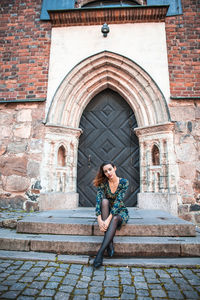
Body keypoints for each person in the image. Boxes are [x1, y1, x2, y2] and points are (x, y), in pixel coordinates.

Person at [93, 161, 129, 268]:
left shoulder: (124, 182)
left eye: (110, 169)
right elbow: (98, 200)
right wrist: (99, 219)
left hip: (120, 211)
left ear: (115, 168)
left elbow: (118, 202)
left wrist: (107, 220)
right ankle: (109, 243)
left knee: (114, 219)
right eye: (105, 171)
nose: (108, 173)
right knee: (104, 202)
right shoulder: (103, 183)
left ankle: (100, 253)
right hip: (107, 210)